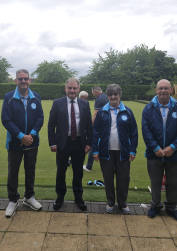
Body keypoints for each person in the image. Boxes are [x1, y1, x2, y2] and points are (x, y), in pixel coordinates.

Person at [142, 79, 177, 222]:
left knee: (173, 183)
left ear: (171, 90)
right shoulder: (148, 108)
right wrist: (156, 148)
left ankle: (171, 208)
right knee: (155, 182)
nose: (163, 90)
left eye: (166, 88)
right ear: (156, 90)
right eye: (160, 88)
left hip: (174, 154)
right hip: (154, 153)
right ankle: (155, 206)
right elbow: (146, 131)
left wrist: (173, 147)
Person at [1, 69, 44, 217]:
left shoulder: (36, 97)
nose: (23, 81)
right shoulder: (8, 98)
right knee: (13, 172)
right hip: (15, 143)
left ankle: (29, 197)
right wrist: (21, 136)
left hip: (32, 142)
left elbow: (40, 118)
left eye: (26, 79)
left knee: (30, 171)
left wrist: (31, 135)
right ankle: (13, 200)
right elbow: (6, 120)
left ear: (30, 80)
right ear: (16, 81)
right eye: (20, 79)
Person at [92, 84, 138, 214]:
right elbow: (95, 131)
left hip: (123, 151)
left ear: (119, 95)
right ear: (107, 96)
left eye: (115, 94)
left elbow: (133, 132)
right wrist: (95, 150)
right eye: (111, 94)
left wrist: (132, 150)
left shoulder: (127, 111)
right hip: (105, 151)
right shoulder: (102, 111)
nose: (113, 96)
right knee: (108, 177)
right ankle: (110, 201)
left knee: (123, 177)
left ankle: (122, 202)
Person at [48, 78, 92, 211]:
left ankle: (78, 197)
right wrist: (52, 143)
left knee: (78, 172)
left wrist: (89, 142)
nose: (72, 90)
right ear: (65, 88)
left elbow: (89, 126)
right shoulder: (57, 103)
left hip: (79, 142)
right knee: (61, 171)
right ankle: (60, 197)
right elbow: (51, 125)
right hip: (63, 143)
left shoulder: (84, 104)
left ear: (78, 89)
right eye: (69, 88)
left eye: (74, 88)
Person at [83, 86, 109, 173]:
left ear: (95, 91)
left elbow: (95, 114)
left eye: (93, 93)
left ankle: (88, 166)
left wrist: (90, 125)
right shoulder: (106, 97)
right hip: (107, 125)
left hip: (99, 125)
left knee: (93, 145)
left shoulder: (98, 99)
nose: (92, 94)